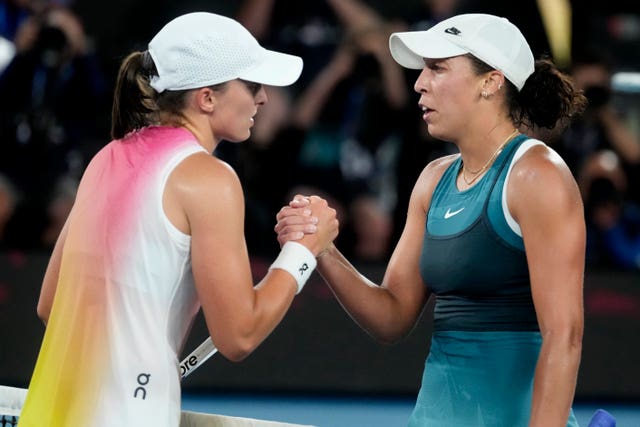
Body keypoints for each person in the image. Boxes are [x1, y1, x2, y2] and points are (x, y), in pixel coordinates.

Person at [18, 12, 338, 427]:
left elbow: (50, 306)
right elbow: (239, 335)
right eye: (252, 85)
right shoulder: (210, 180)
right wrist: (303, 250)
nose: (262, 98)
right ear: (207, 98)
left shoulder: (105, 159)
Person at [276, 13, 587, 427]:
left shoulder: (538, 175)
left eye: (437, 68)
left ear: (490, 81)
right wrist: (322, 249)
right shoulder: (433, 179)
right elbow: (391, 317)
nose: (419, 83)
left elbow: (564, 337)